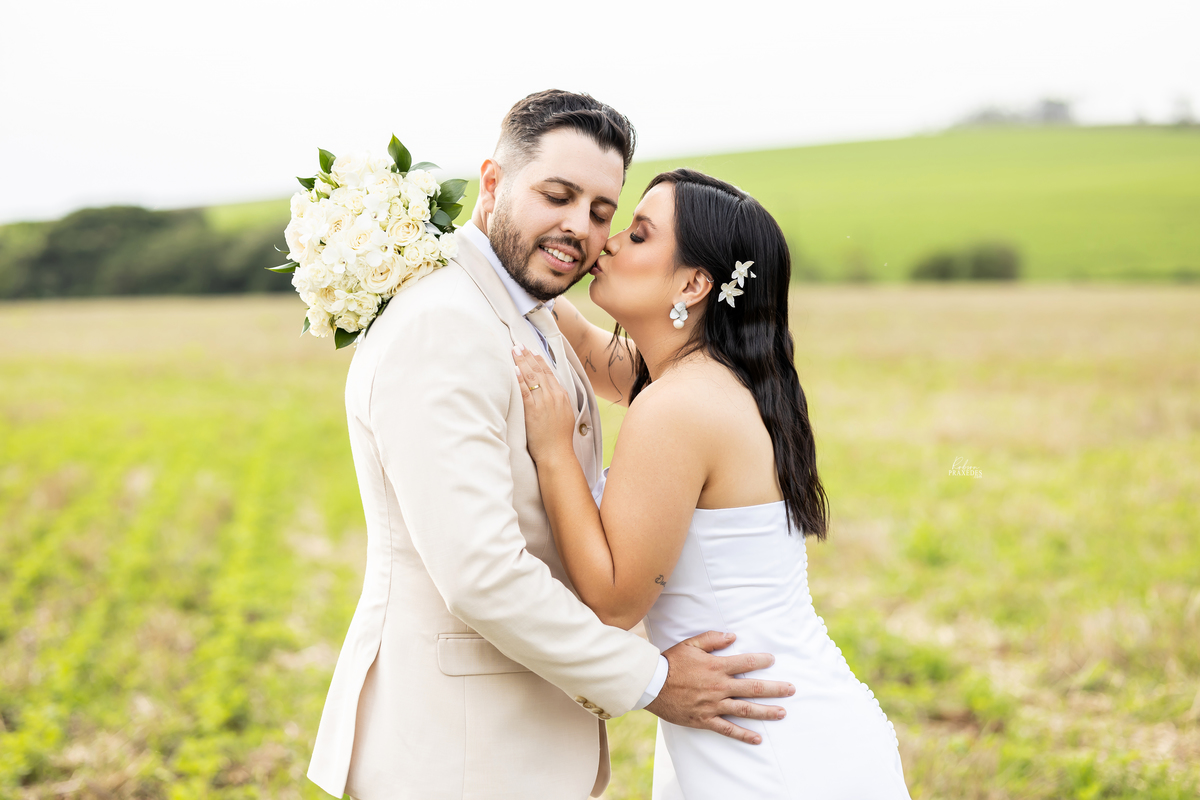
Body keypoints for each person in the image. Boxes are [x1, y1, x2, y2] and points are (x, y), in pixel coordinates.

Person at [306, 91, 795, 800]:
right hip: (458, 755)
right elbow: (481, 574)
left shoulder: (524, 311)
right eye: (557, 196)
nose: (581, 230)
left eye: (602, 213)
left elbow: (647, 371)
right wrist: (652, 680)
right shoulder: (446, 326)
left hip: (510, 747)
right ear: (493, 183)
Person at [513, 169, 912, 799]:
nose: (609, 242)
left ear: (696, 284)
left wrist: (555, 450)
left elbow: (616, 602)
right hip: (769, 715)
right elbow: (586, 346)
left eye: (638, 235)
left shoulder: (678, 407)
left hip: (767, 741)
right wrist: (496, 246)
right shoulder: (713, 378)